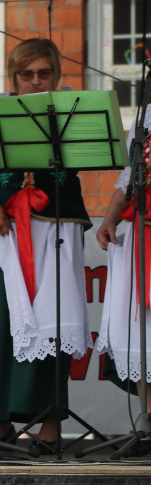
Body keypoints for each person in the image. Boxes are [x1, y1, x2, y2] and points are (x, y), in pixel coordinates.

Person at [0, 39, 91, 453]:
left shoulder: (72, 108)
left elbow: (95, 155)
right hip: (6, 229)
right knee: (0, 322)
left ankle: (48, 427)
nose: (36, 81)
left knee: (54, 322)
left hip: (58, 227)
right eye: (26, 74)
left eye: (44, 73)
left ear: (56, 73)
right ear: (14, 77)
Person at [96, 102, 151, 430]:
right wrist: (109, 218)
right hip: (143, 230)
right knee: (145, 331)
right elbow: (131, 174)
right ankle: (147, 422)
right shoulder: (147, 114)